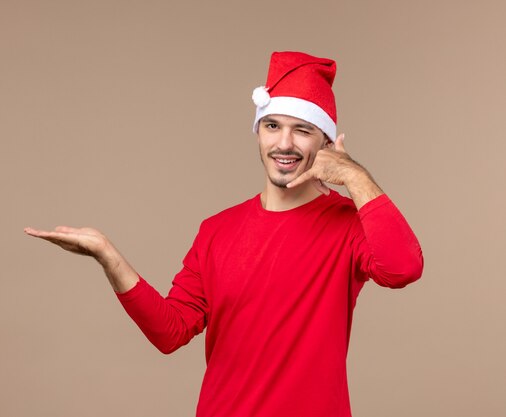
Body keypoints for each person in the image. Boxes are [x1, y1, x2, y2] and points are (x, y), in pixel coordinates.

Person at [25, 51, 423, 417]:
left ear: (325, 140)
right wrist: (107, 255)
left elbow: (403, 268)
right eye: (272, 126)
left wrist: (353, 174)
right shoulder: (217, 231)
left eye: (302, 130)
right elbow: (170, 331)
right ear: (258, 132)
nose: (284, 143)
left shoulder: (347, 224)